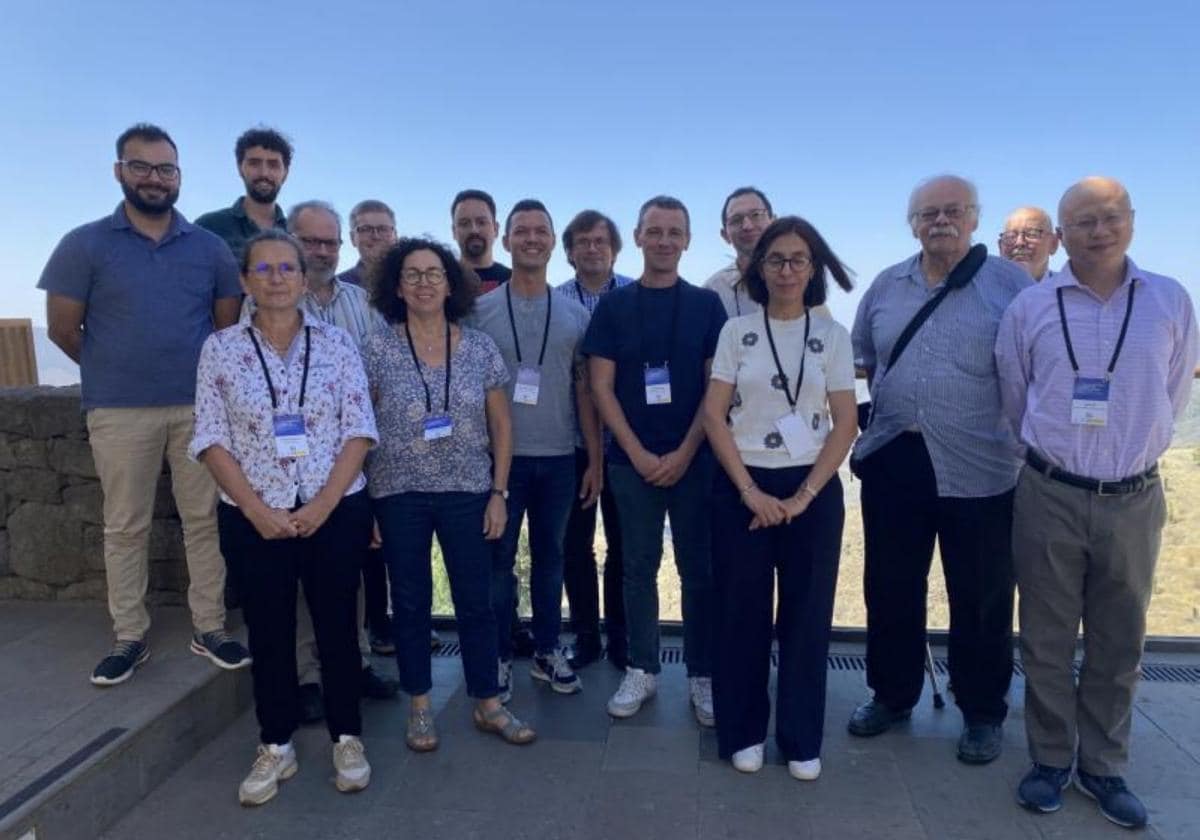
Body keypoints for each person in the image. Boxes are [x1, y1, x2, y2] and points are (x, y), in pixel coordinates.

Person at [995, 177, 1198, 828]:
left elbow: (1173, 390)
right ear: (1063, 232)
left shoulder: (1169, 299)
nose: (1099, 231)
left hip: (1135, 496)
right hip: (1050, 491)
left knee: (1120, 641)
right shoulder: (1030, 307)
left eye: (1110, 217)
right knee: (1047, 640)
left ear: (1131, 221)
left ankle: (1105, 768)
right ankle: (1051, 761)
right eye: (1083, 221)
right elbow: (1014, 394)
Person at [38, 123, 250, 686]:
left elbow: (224, 326)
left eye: (166, 169)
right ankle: (128, 637)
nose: (155, 179)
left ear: (179, 177)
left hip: (198, 410)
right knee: (125, 526)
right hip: (119, 409)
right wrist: (118, 369)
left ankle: (210, 627)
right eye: (142, 167)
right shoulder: (83, 244)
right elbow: (63, 330)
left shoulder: (208, 249)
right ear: (119, 171)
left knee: (204, 521)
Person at [190, 229, 377, 804]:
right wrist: (257, 510)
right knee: (269, 634)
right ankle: (276, 744)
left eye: (286, 268)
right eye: (263, 269)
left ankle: (348, 737)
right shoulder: (219, 349)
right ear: (245, 281)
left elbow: (359, 429)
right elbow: (211, 438)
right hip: (254, 515)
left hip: (334, 510)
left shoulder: (339, 344)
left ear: (303, 277)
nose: (276, 278)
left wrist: (322, 505)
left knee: (338, 630)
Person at [848, 175, 1031, 764]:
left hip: (980, 462)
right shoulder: (886, 285)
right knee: (891, 586)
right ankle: (892, 695)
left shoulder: (1010, 286)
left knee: (981, 594)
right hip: (896, 457)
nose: (940, 222)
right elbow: (862, 360)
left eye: (952, 211)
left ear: (976, 219)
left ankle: (981, 711)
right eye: (928, 214)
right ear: (912, 224)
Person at [365, 237, 536, 751]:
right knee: (412, 602)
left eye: (433, 273)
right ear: (397, 285)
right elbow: (360, 426)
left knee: (477, 602)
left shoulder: (479, 347)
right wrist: (367, 503)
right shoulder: (375, 347)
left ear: (450, 284)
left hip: (468, 490)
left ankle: (487, 701)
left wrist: (499, 491)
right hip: (398, 493)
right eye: (412, 274)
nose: (423, 283)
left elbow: (502, 425)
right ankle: (420, 705)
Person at [702, 216, 857, 781]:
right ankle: (742, 731)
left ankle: (800, 739)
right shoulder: (735, 332)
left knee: (807, 618)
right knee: (740, 615)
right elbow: (714, 416)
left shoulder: (833, 337)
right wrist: (749, 491)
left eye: (797, 259)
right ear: (758, 269)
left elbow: (844, 424)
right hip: (742, 485)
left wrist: (803, 496)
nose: (786, 269)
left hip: (811, 490)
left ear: (812, 268)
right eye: (775, 260)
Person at [244, 200, 397, 719]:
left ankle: (346, 665)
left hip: (350, 460)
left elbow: (376, 380)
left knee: (344, 573)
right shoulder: (266, 304)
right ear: (291, 241)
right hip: (284, 472)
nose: (322, 251)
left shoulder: (363, 303)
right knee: (296, 580)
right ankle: (307, 678)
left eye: (330, 242)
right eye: (311, 242)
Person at [583, 195, 727, 726]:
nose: (664, 241)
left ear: (688, 240)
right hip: (630, 462)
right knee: (637, 567)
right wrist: (639, 453)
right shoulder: (614, 306)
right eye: (655, 231)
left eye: (675, 232)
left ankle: (702, 673)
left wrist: (687, 450)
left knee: (699, 569)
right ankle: (642, 667)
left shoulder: (707, 307)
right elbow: (600, 386)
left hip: (697, 458)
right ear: (639, 238)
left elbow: (716, 387)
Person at [470, 200, 597, 700]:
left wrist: (595, 461)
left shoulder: (573, 314)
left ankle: (547, 650)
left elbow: (584, 389)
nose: (530, 239)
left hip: (561, 457)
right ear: (506, 240)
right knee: (498, 562)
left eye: (540, 231)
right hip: (498, 461)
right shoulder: (479, 313)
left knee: (552, 558)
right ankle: (501, 655)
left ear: (551, 243)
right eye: (521, 231)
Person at [556, 210, 635, 670]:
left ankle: (621, 636)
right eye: (583, 241)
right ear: (568, 251)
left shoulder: (633, 296)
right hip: (572, 444)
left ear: (615, 248)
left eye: (601, 241)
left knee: (623, 546)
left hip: (624, 443)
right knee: (575, 546)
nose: (592, 248)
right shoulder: (555, 301)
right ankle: (586, 635)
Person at [195, 127, 291, 259]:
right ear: (240, 168)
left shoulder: (295, 233)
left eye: (273, 165)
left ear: (285, 173)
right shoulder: (209, 227)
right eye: (254, 163)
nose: (264, 173)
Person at [704, 187, 775, 318]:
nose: (747, 226)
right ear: (725, 235)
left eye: (756, 215)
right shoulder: (713, 291)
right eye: (736, 220)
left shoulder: (799, 280)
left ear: (773, 222)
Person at [452, 189, 511, 294]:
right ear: (454, 232)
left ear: (496, 229)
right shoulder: (442, 281)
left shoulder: (513, 282)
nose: (474, 230)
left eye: (481, 222)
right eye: (464, 223)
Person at [337, 199, 398, 289]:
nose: (376, 236)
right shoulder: (337, 287)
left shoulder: (416, 282)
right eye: (366, 229)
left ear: (395, 235)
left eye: (383, 229)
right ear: (352, 238)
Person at [998, 206, 1058, 282]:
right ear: (1000, 247)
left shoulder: (1071, 291)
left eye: (1032, 234)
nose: (1019, 242)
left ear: (1053, 244)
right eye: (1011, 236)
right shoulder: (983, 289)